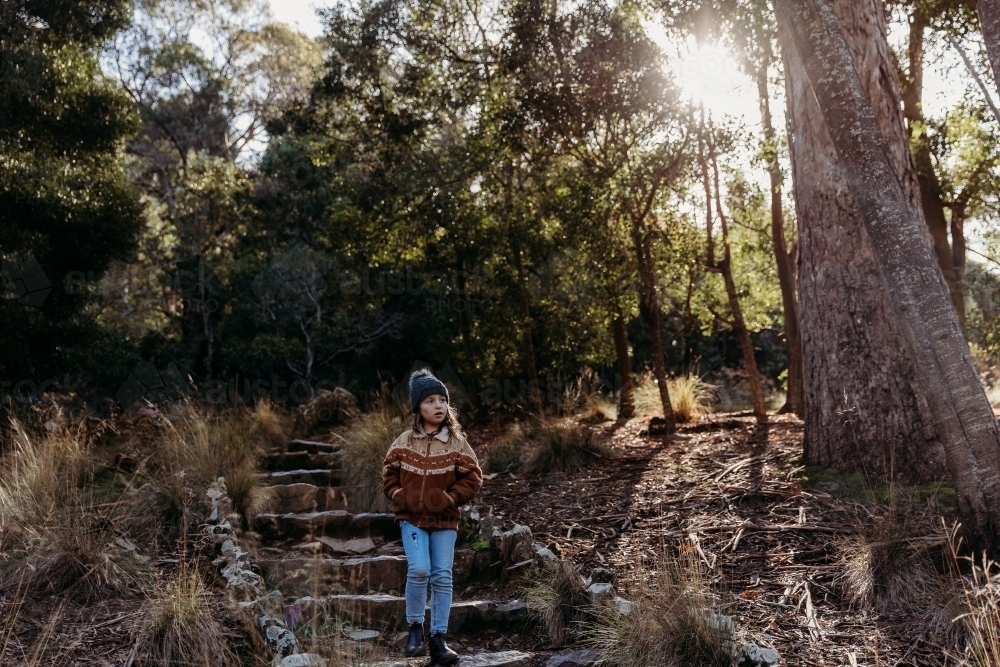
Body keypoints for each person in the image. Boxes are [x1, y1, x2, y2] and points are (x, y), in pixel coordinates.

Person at [382, 369, 483, 665]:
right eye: (430, 400)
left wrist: (451, 497)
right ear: (417, 407)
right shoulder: (404, 441)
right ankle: (415, 628)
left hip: (445, 521)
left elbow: (474, 477)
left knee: (442, 575)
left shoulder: (456, 443)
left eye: (442, 400)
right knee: (420, 569)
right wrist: (400, 496)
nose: (438, 406)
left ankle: (439, 638)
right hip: (411, 519)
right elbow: (389, 473)